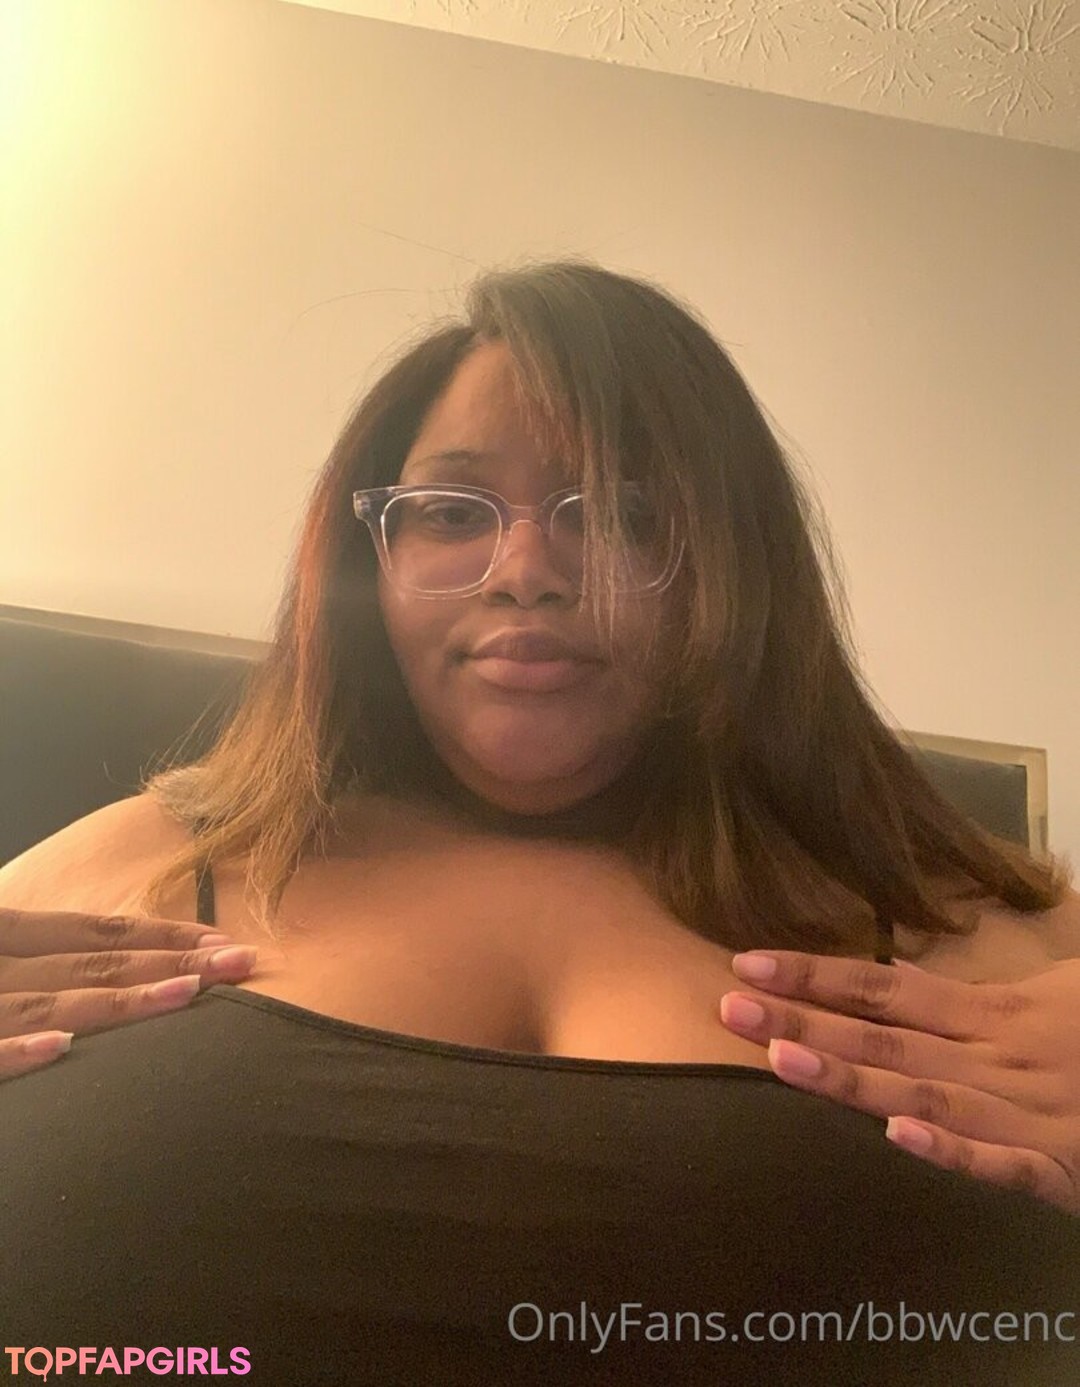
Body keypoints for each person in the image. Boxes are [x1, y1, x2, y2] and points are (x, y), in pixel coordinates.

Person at [1, 257, 1077, 1385]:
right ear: (372, 556)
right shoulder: (142, 859)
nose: (526, 572)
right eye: (451, 512)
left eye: (624, 512)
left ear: (736, 567)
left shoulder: (987, 934)